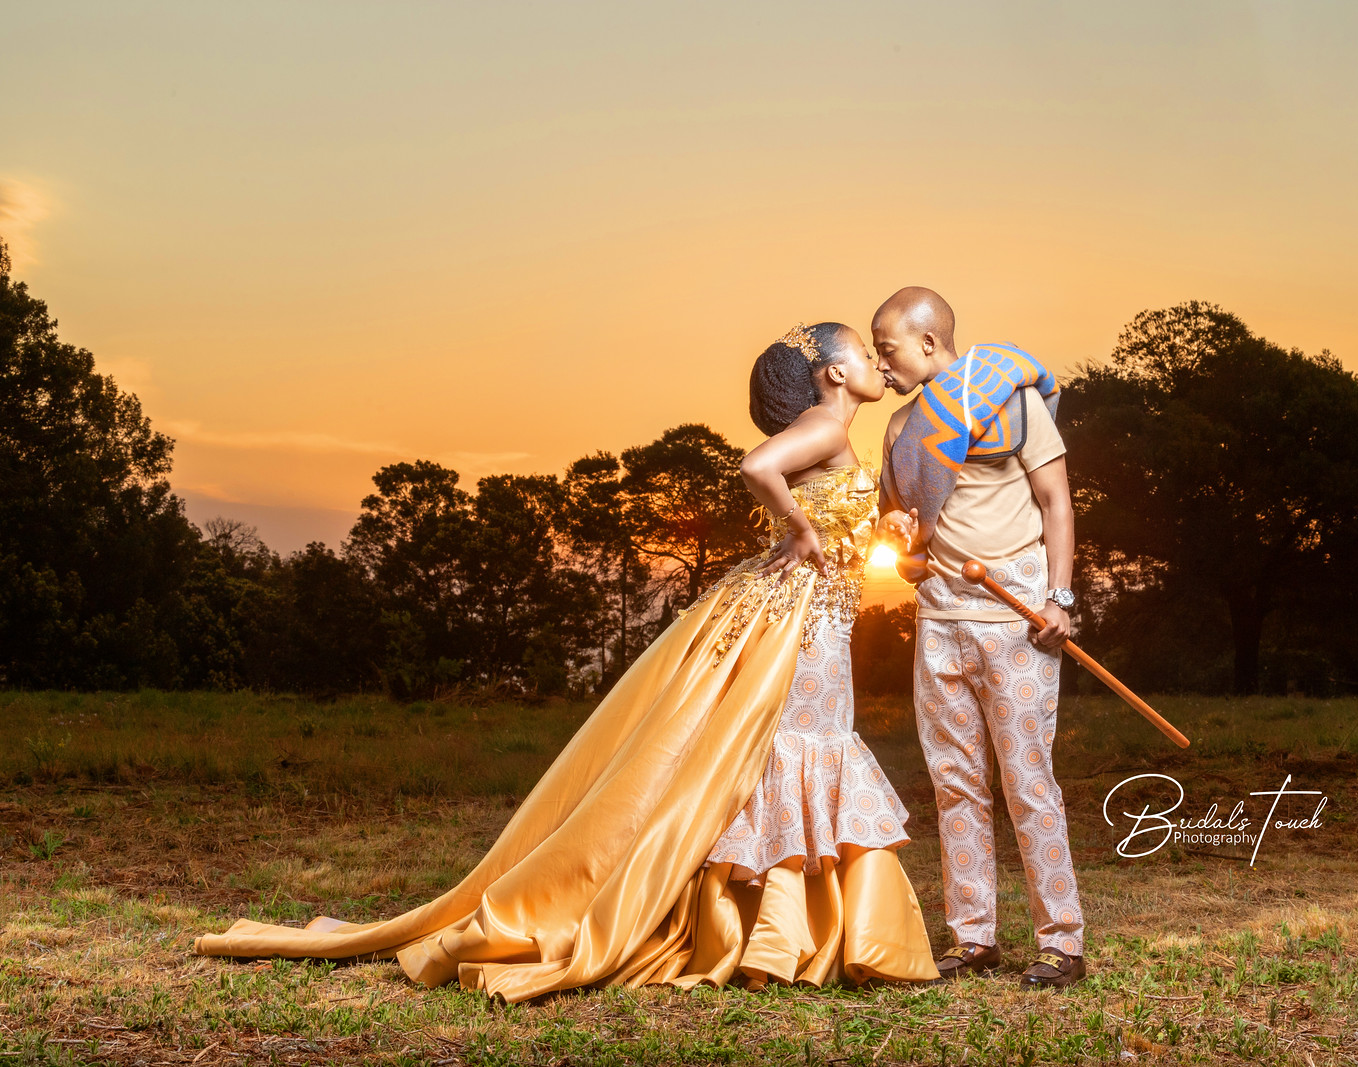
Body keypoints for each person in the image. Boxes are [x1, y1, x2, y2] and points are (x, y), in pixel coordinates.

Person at [194, 322, 938, 1001]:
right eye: (862, 351)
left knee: (771, 748)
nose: (875, 364)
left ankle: (770, 927)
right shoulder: (822, 424)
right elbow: (757, 466)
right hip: (795, 615)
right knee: (791, 744)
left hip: (808, 610)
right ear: (833, 373)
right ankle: (777, 931)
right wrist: (800, 529)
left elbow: (824, 507)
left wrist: (883, 526)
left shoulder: (832, 431)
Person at [872, 286, 1088, 990]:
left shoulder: (1009, 400)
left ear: (929, 342)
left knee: (1029, 781)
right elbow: (900, 527)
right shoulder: (901, 429)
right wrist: (897, 532)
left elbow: (1056, 500)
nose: (881, 364)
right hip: (939, 621)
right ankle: (973, 937)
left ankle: (1061, 942)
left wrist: (1059, 598)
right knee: (954, 783)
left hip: (1016, 620)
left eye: (888, 349)